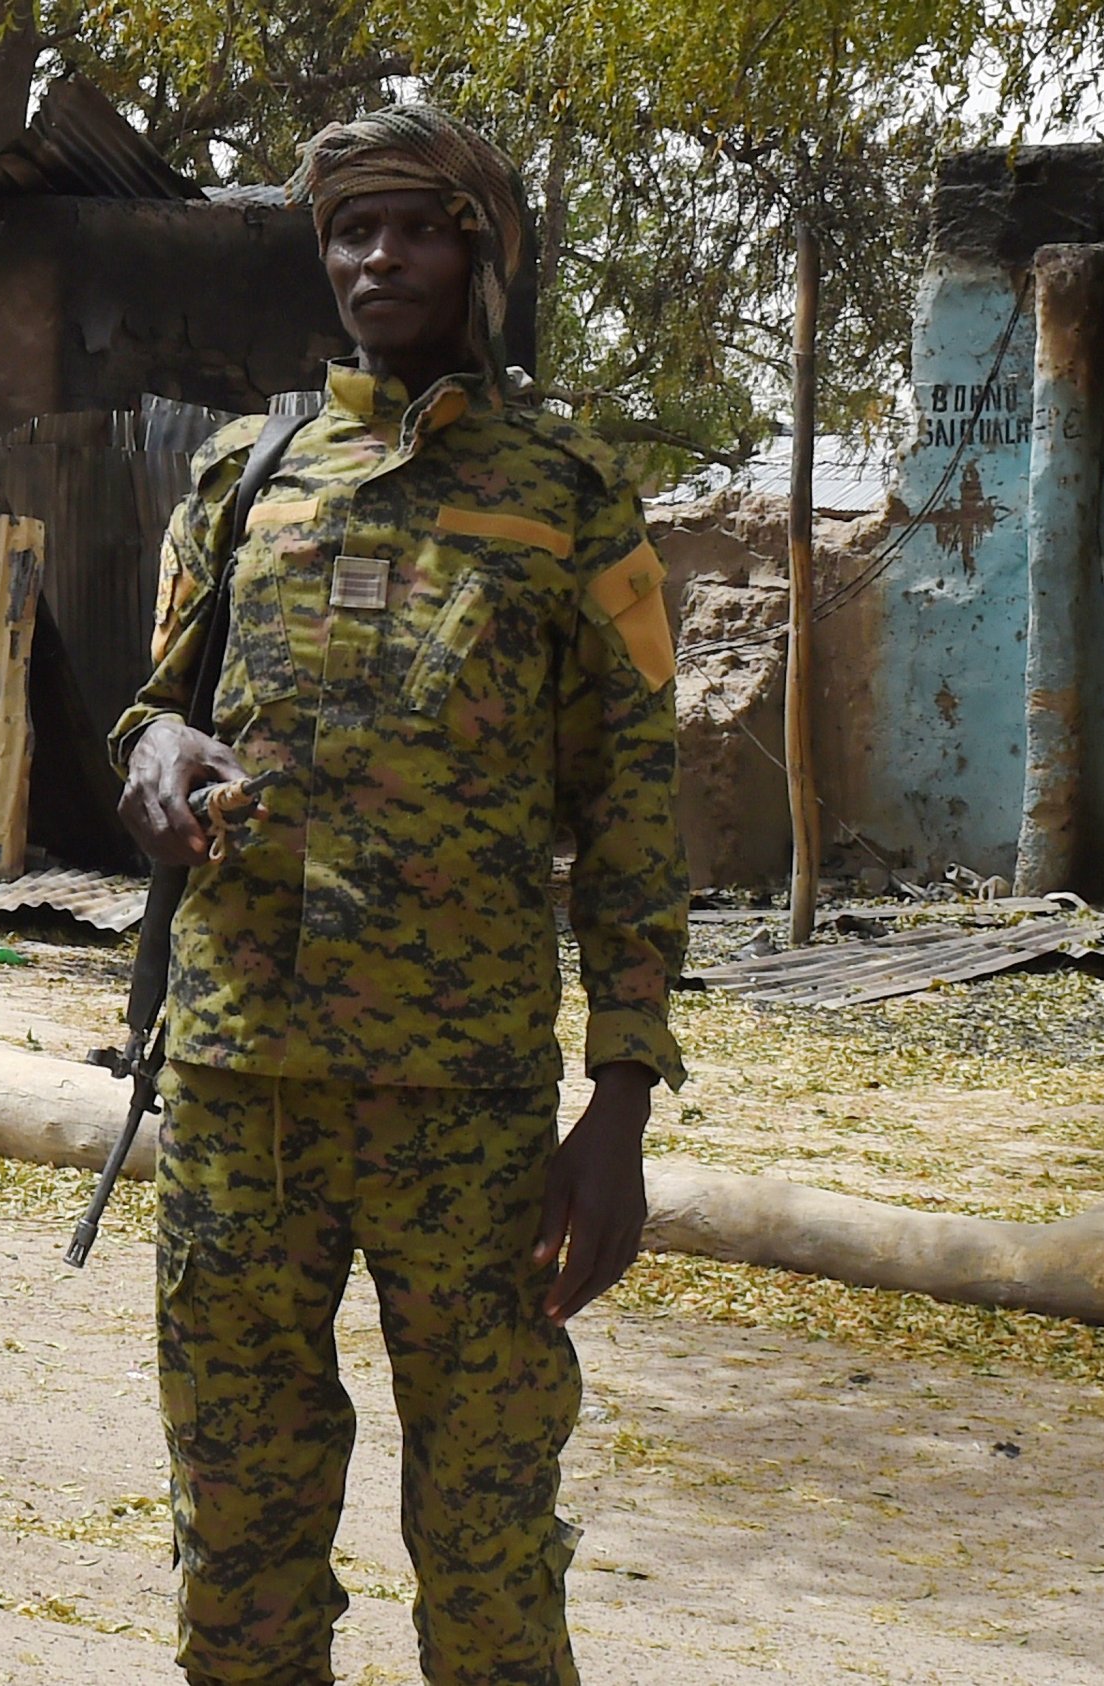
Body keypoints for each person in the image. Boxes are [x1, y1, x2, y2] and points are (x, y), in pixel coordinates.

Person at [111, 103, 687, 1686]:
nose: (379, 257)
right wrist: (154, 749)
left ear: (481, 249)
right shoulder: (245, 479)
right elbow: (151, 702)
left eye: (418, 226)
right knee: (238, 1524)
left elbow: (634, 801)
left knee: (492, 1535)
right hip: (240, 1095)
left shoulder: (564, 497)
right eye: (352, 230)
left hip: (467, 1111)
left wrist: (620, 1106)